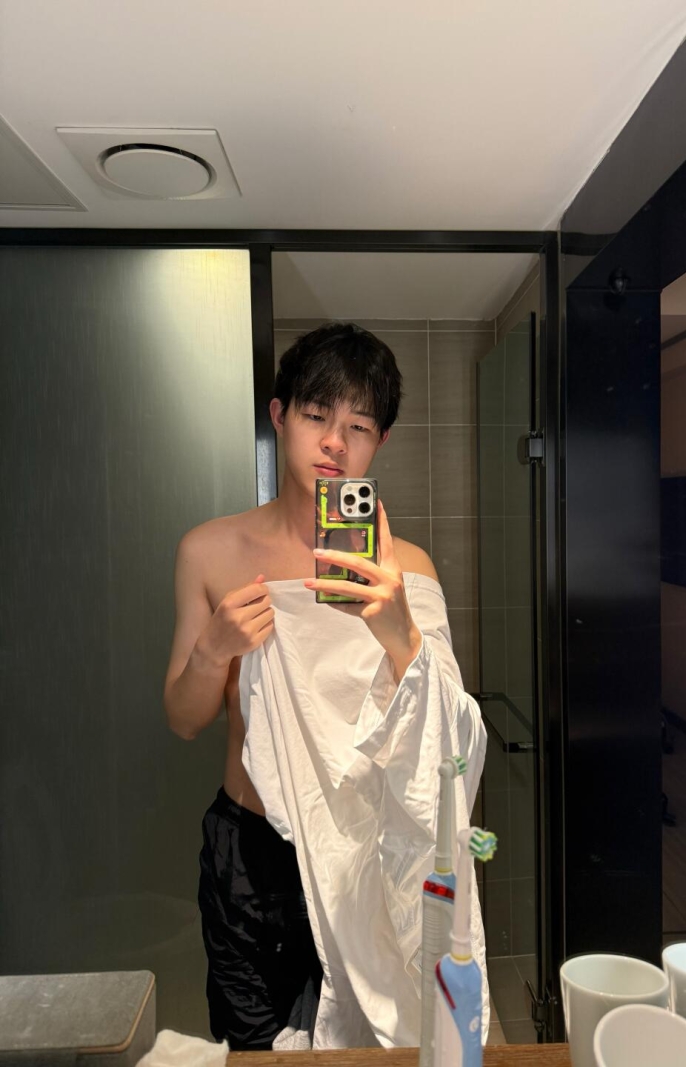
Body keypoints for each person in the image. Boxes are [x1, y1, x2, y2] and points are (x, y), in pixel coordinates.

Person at [163, 322, 486, 1050]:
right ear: (279, 416)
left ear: (381, 442)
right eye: (316, 415)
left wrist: (399, 631)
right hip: (252, 851)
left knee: (379, 1042)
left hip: (370, 850)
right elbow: (183, 718)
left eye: (359, 426)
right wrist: (214, 648)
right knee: (253, 1050)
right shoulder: (210, 551)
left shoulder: (407, 570)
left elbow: (451, 737)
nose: (335, 442)